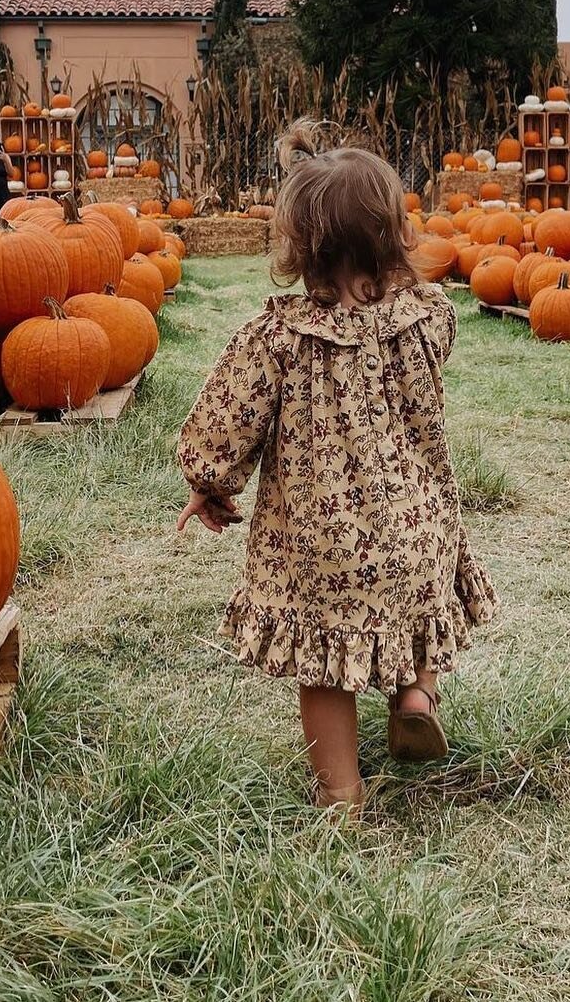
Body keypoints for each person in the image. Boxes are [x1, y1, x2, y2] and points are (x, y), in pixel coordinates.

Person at [176, 120, 495, 812]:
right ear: (393, 234)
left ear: (299, 246)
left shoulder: (278, 337)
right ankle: (416, 692)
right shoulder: (428, 315)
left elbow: (227, 422)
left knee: (325, 668)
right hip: (417, 529)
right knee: (413, 618)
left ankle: (341, 793)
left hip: (324, 549)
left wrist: (209, 482)